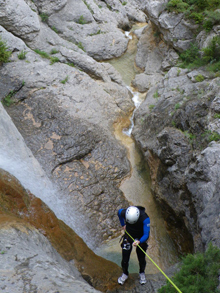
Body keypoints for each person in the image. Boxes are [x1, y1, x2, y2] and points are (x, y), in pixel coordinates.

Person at [117, 206, 150, 285]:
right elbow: (118, 213)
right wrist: (123, 224)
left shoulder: (145, 218)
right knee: (125, 259)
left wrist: (139, 241)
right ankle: (125, 273)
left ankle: (142, 272)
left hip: (140, 238)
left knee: (141, 259)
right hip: (128, 236)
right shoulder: (125, 212)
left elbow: (146, 234)